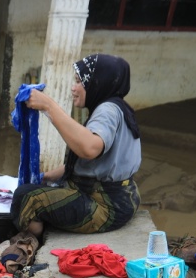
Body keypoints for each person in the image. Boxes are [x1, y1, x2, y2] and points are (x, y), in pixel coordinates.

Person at [12, 53, 142, 238]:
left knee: (26, 198)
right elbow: (87, 165)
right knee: (44, 186)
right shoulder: (119, 107)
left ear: (98, 82)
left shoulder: (107, 111)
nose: (73, 88)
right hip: (125, 197)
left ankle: (35, 239)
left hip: (105, 206)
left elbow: (89, 149)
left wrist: (49, 106)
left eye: (80, 82)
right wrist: (46, 176)